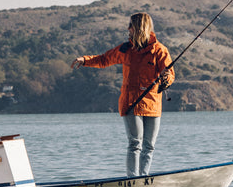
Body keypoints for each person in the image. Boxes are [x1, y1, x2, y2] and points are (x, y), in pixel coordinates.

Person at [72, 12, 174, 177]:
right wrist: (85, 60)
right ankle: (133, 179)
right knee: (135, 143)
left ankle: (143, 177)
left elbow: (170, 75)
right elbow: (104, 59)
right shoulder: (125, 49)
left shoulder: (159, 50)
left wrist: (166, 78)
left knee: (149, 146)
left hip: (153, 104)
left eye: (131, 25)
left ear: (140, 28)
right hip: (131, 103)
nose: (128, 29)